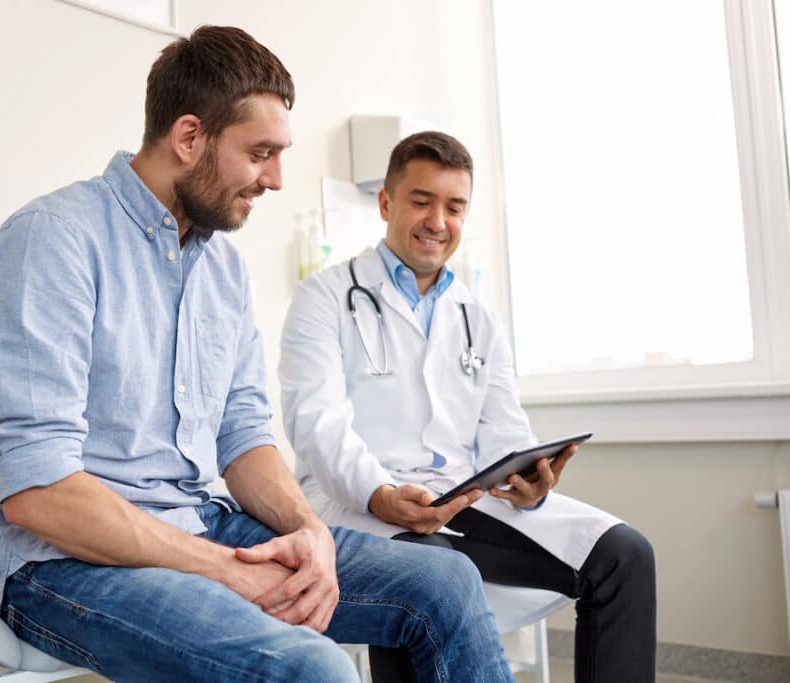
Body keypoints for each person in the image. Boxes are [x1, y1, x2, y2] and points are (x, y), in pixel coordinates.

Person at [0, 27, 515, 683]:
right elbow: (39, 494)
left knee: (446, 580)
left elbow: (243, 436)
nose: (277, 179)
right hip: (64, 563)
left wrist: (309, 531)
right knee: (314, 667)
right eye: (260, 153)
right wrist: (225, 572)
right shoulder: (54, 241)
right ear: (189, 137)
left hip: (202, 523)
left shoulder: (220, 267)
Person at [279, 131, 657, 683]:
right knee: (425, 575)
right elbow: (317, 425)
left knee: (625, 555)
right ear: (386, 203)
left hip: (462, 500)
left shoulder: (477, 317)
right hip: (358, 505)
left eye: (454, 206)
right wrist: (380, 494)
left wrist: (528, 481)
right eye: (421, 200)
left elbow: (503, 432)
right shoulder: (325, 298)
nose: (438, 220)